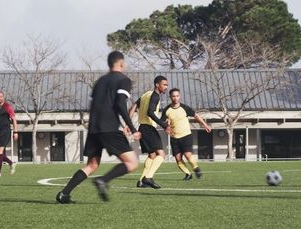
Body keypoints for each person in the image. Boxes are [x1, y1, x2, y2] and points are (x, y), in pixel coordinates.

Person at [56, 51, 141, 204]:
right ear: (121, 63)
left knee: (92, 165)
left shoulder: (100, 81)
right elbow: (120, 104)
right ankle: (103, 180)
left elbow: (98, 105)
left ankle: (64, 194)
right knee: (132, 162)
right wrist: (133, 129)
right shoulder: (124, 80)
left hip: (94, 129)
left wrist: (120, 125)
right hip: (109, 128)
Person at [129, 75, 171, 189]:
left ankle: (141, 181)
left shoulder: (145, 94)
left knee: (152, 155)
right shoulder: (155, 96)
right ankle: (148, 178)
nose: (166, 87)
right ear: (157, 85)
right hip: (148, 128)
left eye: (167, 85)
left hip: (142, 127)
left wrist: (128, 123)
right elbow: (150, 112)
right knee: (162, 154)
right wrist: (164, 125)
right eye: (164, 85)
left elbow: (133, 106)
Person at [161, 88, 211, 180]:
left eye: (177, 96)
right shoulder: (166, 110)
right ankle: (188, 174)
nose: (175, 98)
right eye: (173, 96)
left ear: (179, 96)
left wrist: (205, 125)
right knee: (178, 159)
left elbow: (196, 116)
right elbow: (163, 122)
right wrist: (166, 127)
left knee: (188, 155)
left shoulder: (184, 108)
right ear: (170, 97)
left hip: (186, 135)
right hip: (174, 138)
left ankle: (196, 169)